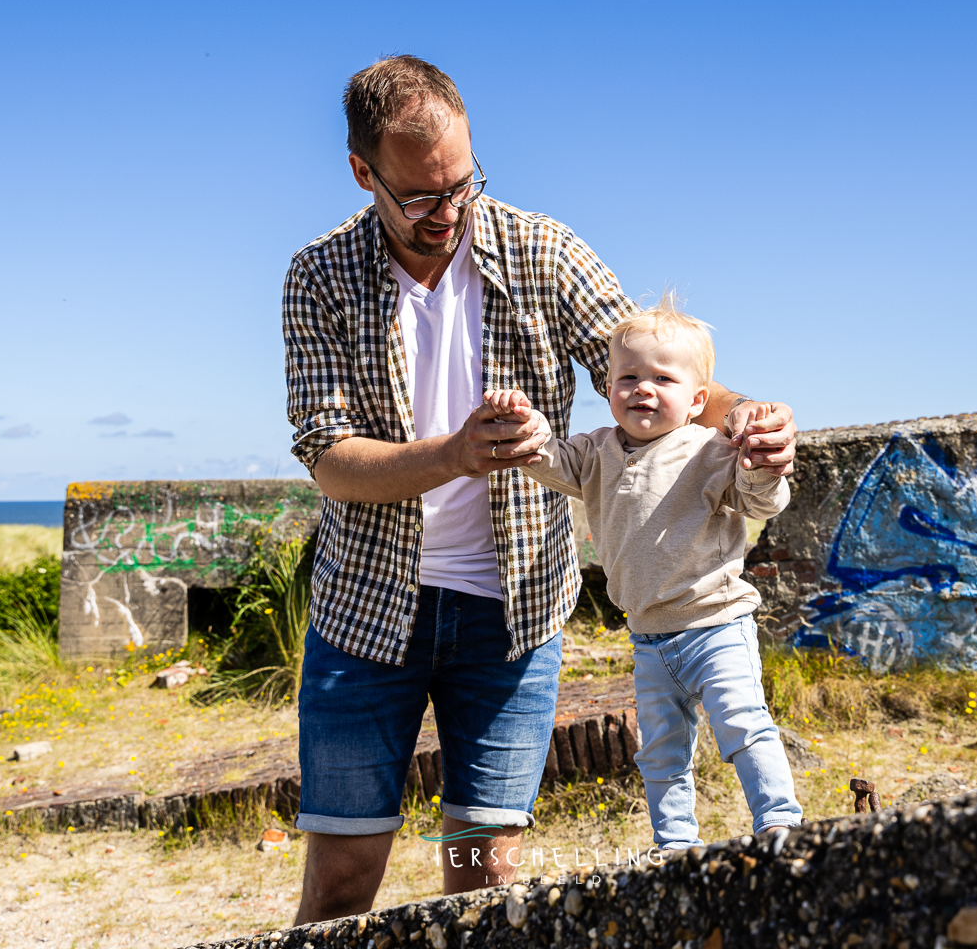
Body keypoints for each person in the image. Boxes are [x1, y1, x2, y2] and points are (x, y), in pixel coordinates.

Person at [282, 55, 799, 923]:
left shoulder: (543, 251)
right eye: (419, 197)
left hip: (513, 618)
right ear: (362, 172)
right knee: (341, 879)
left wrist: (753, 416)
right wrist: (452, 454)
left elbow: (655, 371)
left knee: (483, 879)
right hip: (366, 613)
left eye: (462, 184)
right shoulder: (319, 277)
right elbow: (328, 456)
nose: (448, 212)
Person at [486, 295, 802, 850]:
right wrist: (525, 422)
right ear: (607, 389)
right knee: (659, 749)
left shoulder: (712, 449)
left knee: (741, 722)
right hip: (649, 639)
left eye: (663, 378)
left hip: (716, 624)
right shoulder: (595, 452)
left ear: (698, 398)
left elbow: (761, 501)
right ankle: (674, 843)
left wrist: (761, 466)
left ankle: (778, 821)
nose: (643, 389)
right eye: (627, 376)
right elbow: (546, 458)